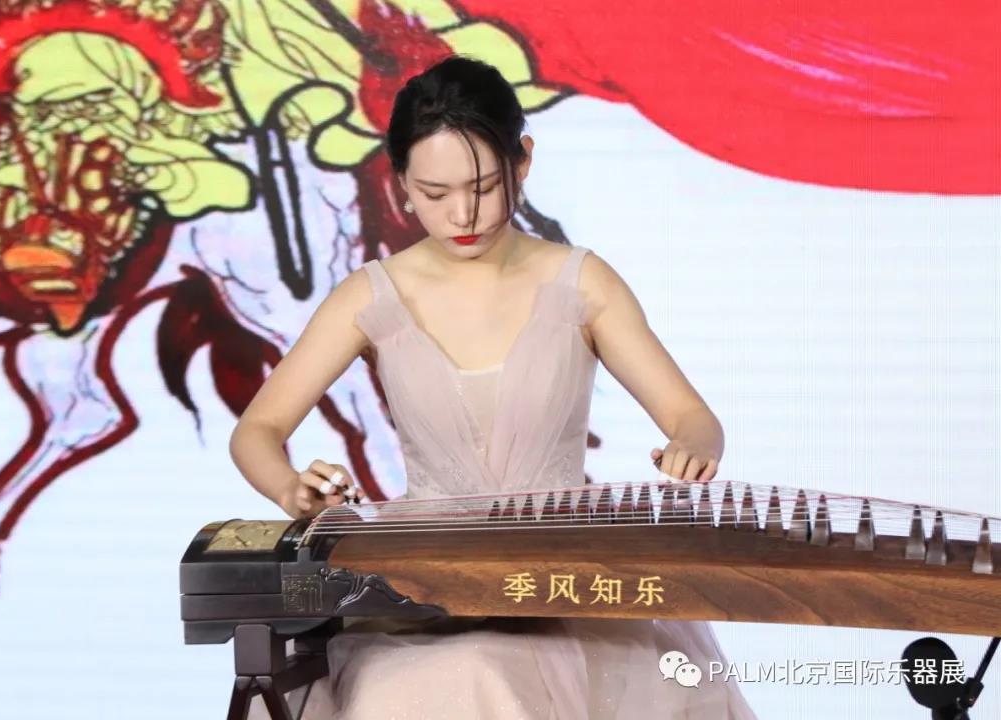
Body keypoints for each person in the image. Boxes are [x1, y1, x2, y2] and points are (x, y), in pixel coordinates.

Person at [230, 55, 756, 720]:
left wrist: (692, 446)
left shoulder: (580, 283)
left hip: (568, 585)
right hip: (426, 591)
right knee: (449, 679)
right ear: (401, 183)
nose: (463, 213)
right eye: (435, 193)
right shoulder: (372, 296)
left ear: (523, 161)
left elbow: (690, 416)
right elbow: (257, 430)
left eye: (483, 186)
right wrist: (290, 489)